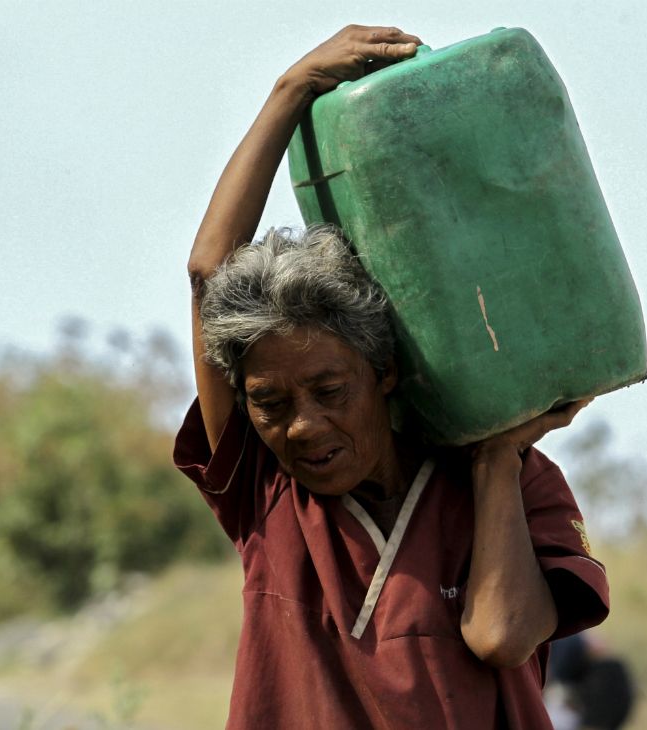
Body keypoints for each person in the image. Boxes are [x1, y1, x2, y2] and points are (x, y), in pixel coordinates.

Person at [176, 25, 609, 729]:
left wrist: (497, 456)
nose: (304, 426)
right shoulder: (265, 490)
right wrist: (291, 90)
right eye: (270, 402)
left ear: (384, 373)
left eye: (329, 390)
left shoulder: (515, 482)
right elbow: (208, 275)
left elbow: (499, 635)